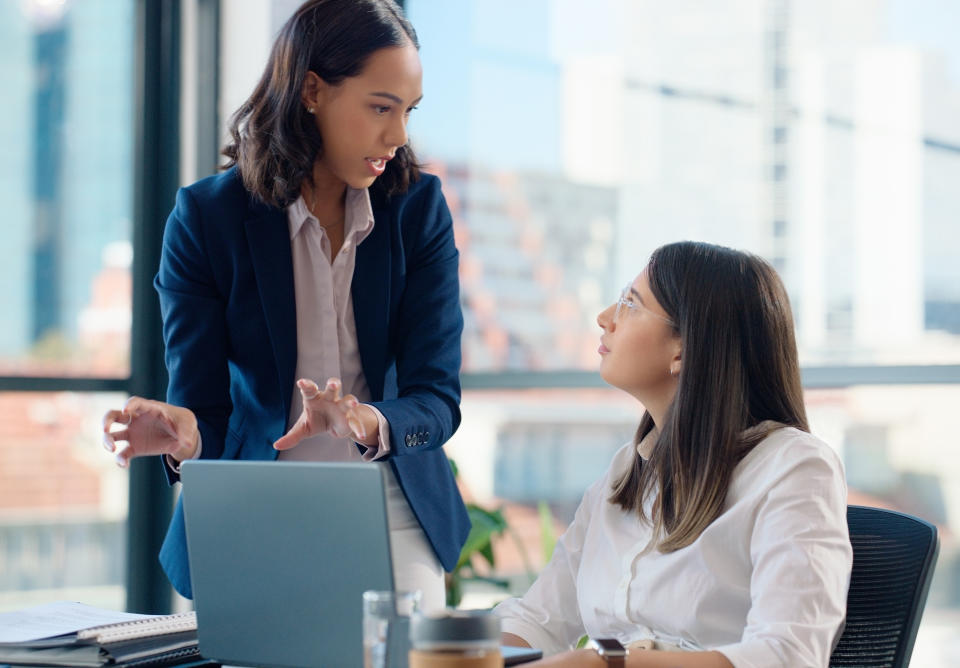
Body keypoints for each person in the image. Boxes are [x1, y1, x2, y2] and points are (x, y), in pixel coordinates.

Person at [100, 0, 469, 611]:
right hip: (251, 509)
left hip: (390, 506)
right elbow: (208, 414)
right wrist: (186, 436)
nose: (399, 135)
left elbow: (437, 399)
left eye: (407, 110)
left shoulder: (418, 209)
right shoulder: (206, 220)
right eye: (380, 107)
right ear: (313, 91)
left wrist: (368, 422)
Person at [495, 242, 853, 667]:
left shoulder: (794, 469)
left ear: (683, 350)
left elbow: (787, 656)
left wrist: (605, 663)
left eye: (631, 303)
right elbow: (538, 620)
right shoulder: (625, 473)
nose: (605, 318)